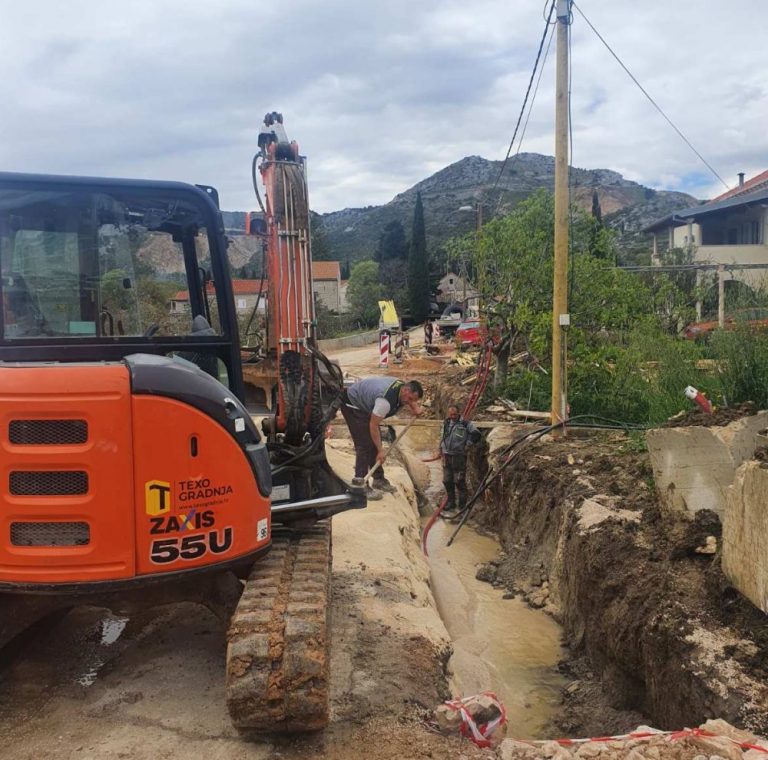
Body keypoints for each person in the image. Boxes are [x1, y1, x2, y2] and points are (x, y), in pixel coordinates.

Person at [340, 377, 424, 500]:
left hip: (366, 404)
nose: (410, 402)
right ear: (405, 390)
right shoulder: (385, 402)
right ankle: (360, 485)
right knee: (364, 445)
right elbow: (373, 425)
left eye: (414, 400)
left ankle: (379, 479)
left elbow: (410, 398)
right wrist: (380, 451)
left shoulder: (402, 388)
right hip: (353, 405)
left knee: (373, 443)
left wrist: (415, 408)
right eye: (410, 399)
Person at [440, 404, 481, 518]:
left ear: (459, 413)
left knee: (459, 481)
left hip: (459, 457)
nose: (452, 416)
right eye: (450, 414)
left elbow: (476, 434)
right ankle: (451, 503)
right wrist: (440, 449)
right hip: (447, 456)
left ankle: (462, 507)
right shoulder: (446, 423)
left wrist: (467, 445)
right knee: (447, 480)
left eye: (454, 414)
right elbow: (442, 436)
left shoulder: (465, 424)